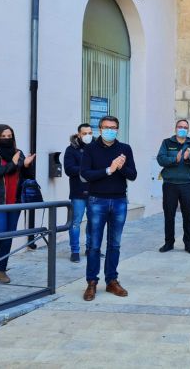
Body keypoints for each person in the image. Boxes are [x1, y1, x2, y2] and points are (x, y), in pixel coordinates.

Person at [80, 116, 137, 301]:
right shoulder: (90, 149)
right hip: (97, 201)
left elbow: (133, 174)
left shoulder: (124, 149)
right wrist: (109, 169)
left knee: (115, 244)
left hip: (119, 200)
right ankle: (91, 283)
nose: (109, 130)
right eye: (106, 127)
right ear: (100, 128)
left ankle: (112, 280)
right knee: (94, 244)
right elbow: (85, 174)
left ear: (117, 129)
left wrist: (120, 168)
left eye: (113, 127)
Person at [0, 124, 36, 283]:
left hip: (14, 201)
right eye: (3, 136)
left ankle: (0, 270)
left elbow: (28, 176)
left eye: (10, 136)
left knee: (7, 236)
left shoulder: (18, 153)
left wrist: (27, 165)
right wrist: (13, 164)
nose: (7, 139)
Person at [157, 119, 190, 254]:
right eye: (180, 126)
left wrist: (188, 158)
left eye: (185, 127)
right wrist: (174, 160)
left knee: (188, 216)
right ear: (175, 128)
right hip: (170, 184)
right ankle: (168, 243)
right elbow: (160, 159)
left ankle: (189, 244)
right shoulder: (167, 142)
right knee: (169, 215)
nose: (182, 129)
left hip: (187, 185)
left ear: (188, 130)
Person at [64, 123, 93, 263]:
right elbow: (69, 170)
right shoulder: (71, 150)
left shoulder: (96, 148)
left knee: (94, 222)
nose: (88, 136)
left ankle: (90, 249)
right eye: (85, 133)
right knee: (76, 222)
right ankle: (75, 251)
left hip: (95, 191)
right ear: (79, 134)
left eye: (90, 133)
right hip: (78, 192)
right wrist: (86, 169)